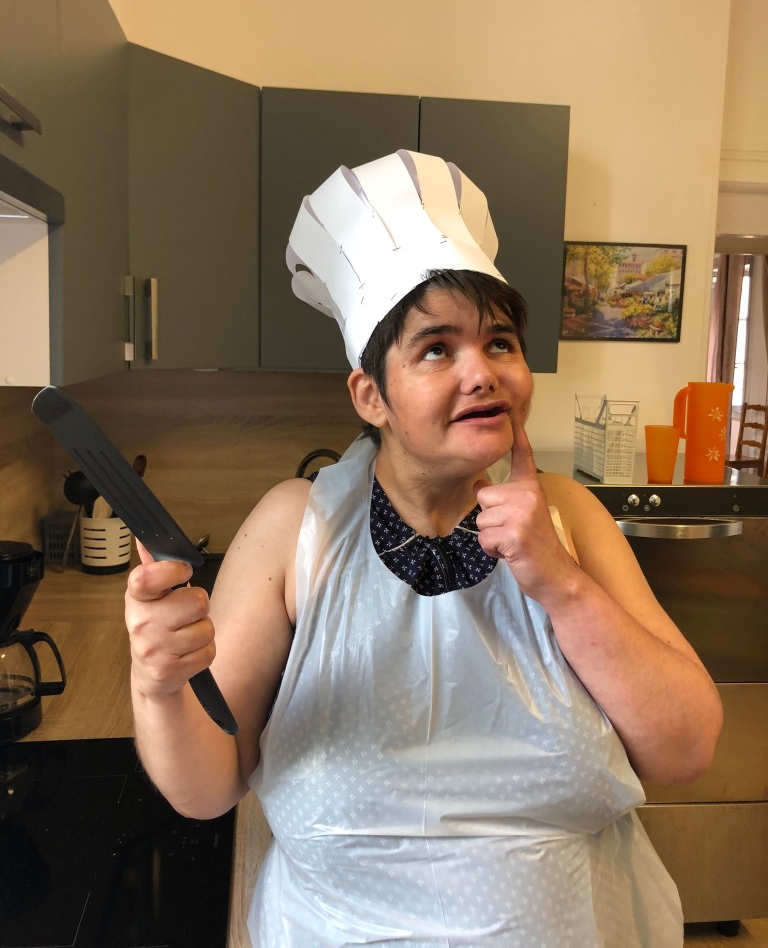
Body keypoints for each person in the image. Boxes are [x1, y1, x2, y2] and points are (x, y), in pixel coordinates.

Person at [125, 149, 723, 947]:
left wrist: (560, 583)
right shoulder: (294, 531)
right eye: (437, 349)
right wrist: (161, 685)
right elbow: (207, 789)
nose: (484, 372)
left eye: (501, 342)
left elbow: (686, 748)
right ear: (371, 394)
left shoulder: (570, 518)